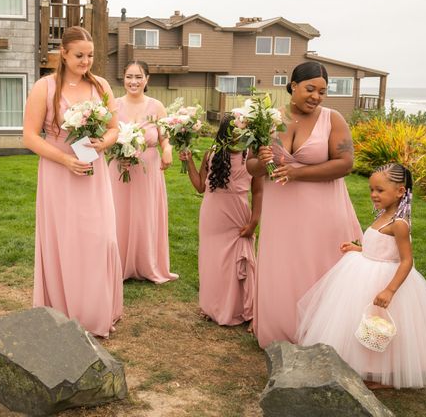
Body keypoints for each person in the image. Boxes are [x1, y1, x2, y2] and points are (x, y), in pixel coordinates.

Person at [247, 61, 363, 348]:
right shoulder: (268, 120)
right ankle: (280, 330)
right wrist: (261, 162)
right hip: (281, 214)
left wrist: (298, 173)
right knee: (284, 268)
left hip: (322, 212)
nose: (316, 97)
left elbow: (346, 163)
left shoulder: (332, 119)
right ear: (293, 85)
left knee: (318, 269)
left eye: (322, 92)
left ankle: (322, 335)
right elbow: (251, 167)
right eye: (310, 89)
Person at [22, 26, 123, 338]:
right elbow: (28, 136)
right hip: (58, 171)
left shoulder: (101, 86)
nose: (86, 61)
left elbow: (114, 128)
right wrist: (65, 159)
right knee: (65, 239)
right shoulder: (45, 87)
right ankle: (62, 311)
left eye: (90, 56)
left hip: (93, 171)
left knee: (99, 237)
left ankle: (95, 310)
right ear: (63, 54)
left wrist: (103, 144)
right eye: (79, 55)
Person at [297, 163, 426, 388]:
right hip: (364, 272)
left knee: (381, 325)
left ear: (400, 192)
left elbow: (406, 260)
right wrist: (358, 249)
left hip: (385, 280)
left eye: (379, 190)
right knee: (362, 324)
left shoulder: (399, 224)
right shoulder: (383, 215)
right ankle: (366, 366)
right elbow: (381, 247)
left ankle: (386, 374)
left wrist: (390, 289)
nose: (373, 194)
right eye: (371, 189)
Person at [180, 114, 263, 325]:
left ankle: (236, 309)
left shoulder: (252, 157)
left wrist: (254, 222)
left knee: (234, 264)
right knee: (213, 262)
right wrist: (189, 161)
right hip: (212, 215)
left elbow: (259, 192)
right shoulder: (212, 154)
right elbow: (200, 186)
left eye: (244, 126)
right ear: (226, 130)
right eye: (236, 126)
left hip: (237, 214)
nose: (240, 130)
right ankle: (212, 306)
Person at [108, 61, 178, 283]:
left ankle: (147, 263)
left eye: (138, 77)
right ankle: (118, 264)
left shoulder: (156, 106)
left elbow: (165, 137)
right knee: (118, 214)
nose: (133, 82)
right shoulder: (113, 105)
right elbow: (106, 138)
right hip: (120, 168)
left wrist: (167, 149)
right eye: (129, 76)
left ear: (147, 79)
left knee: (145, 214)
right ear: (123, 78)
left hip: (148, 168)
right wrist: (118, 151)